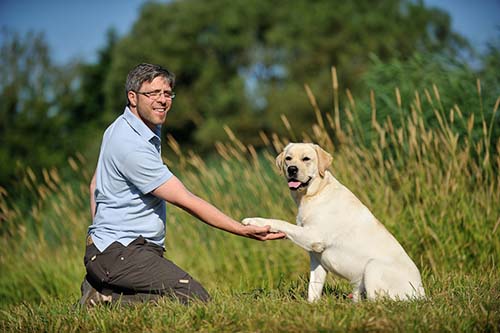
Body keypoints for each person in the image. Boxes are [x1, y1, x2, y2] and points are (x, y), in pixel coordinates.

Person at [79, 63, 284, 306]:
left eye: (167, 93)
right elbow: (185, 199)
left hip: (113, 250)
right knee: (195, 299)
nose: (162, 100)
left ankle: (102, 285)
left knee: (176, 294)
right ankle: (105, 300)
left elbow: (95, 185)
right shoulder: (130, 144)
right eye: (153, 93)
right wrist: (241, 230)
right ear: (132, 98)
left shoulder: (122, 128)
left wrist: (101, 234)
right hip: (121, 253)